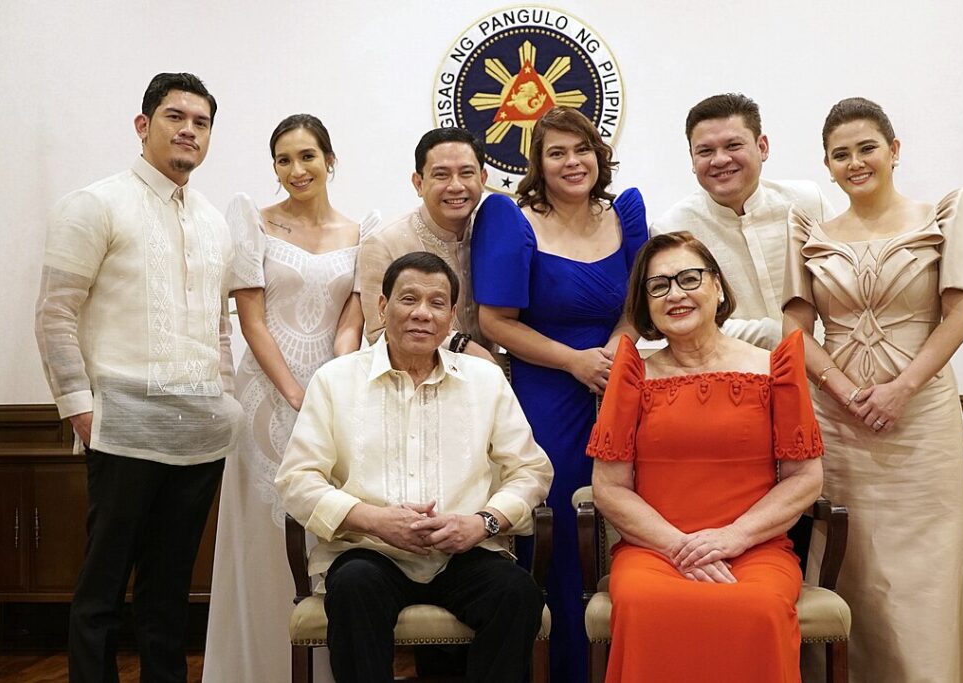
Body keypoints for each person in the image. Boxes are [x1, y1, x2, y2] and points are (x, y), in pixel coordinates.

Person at [783, 97, 963, 682]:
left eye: (867, 148)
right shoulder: (808, 231)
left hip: (921, 418)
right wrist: (836, 388)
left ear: (894, 150)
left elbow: (959, 313)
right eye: (841, 155)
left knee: (927, 565)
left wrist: (902, 389)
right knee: (851, 558)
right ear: (827, 165)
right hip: (838, 419)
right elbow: (793, 329)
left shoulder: (942, 214)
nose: (855, 162)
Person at [34, 72, 242, 682]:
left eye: (201, 123)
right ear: (144, 125)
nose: (189, 131)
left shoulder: (213, 221)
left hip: (199, 430)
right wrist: (79, 407)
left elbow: (220, 325)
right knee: (102, 586)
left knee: (169, 588)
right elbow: (55, 313)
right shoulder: (94, 204)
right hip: (119, 424)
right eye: (176, 117)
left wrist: (225, 399)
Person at [275, 252, 553, 682]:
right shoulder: (334, 380)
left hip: (464, 551)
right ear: (383, 307)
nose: (422, 313)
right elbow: (297, 479)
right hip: (370, 551)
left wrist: (482, 523)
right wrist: (374, 520)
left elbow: (532, 471)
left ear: (452, 316)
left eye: (437, 303)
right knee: (354, 589)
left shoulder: (486, 381)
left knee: (516, 593)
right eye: (408, 299)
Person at [588, 231, 824, 682]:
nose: (674, 294)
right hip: (655, 549)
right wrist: (679, 546)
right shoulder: (632, 375)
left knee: (756, 608)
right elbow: (609, 488)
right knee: (645, 605)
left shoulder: (775, 368)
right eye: (658, 286)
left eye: (689, 278)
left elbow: (805, 478)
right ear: (646, 305)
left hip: (754, 547)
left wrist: (735, 537)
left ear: (717, 286)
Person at [471, 106, 648, 683]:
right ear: (538, 166)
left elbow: (638, 306)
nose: (572, 163)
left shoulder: (627, 212)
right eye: (557, 153)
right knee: (561, 527)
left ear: (600, 155)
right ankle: (562, 667)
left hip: (620, 381)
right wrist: (574, 362)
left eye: (582, 150)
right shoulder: (509, 217)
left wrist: (616, 356)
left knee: (635, 516)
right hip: (546, 390)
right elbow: (495, 320)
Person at [203, 114, 381, 683]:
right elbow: (250, 318)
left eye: (307, 156)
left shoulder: (363, 231)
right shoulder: (252, 223)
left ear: (330, 160)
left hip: (334, 391)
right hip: (267, 398)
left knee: (327, 527)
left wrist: (331, 388)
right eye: (283, 160)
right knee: (264, 529)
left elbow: (350, 323)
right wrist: (293, 392)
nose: (296, 170)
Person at [652, 93, 834, 349]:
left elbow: (843, 286)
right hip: (737, 377)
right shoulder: (672, 228)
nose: (720, 160)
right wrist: (776, 334)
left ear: (763, 147)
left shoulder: (806, 202)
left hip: (829, 370)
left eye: (733, 146)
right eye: (705, 151)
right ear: (692, 159)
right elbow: (686, 319)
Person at [355, 127, 494, 360]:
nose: (456, 186)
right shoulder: (384, 244)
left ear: (482, 179)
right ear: (418, 183)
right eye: (441, 175)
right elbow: (379, 334)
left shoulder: (497, 237)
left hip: (490, 382)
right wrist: (460, 345)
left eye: (466, 173)